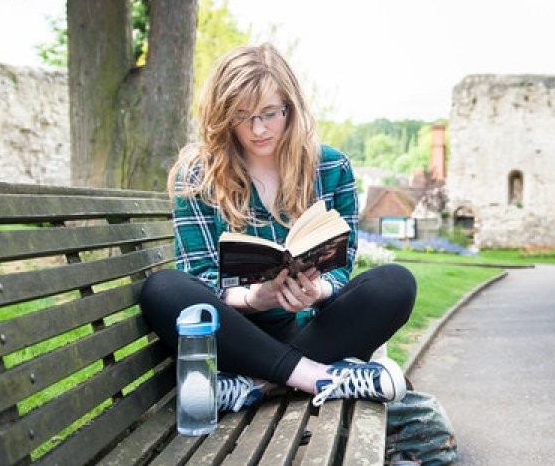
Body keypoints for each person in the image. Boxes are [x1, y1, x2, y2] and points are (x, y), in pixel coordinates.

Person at [140, 43, 417, 413]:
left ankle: (255, 385)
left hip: (310, 331)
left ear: (291, 107)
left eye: (270, 113)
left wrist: (316, 291)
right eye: (241, 116)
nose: (257, 130)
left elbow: (341, 269)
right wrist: (254, 298)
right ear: (222, 117)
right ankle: (321, 377)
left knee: (395, 284)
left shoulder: (331, 168)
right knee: (163, 289)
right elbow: (198, 277)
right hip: (234, 337)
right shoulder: (198, 176)